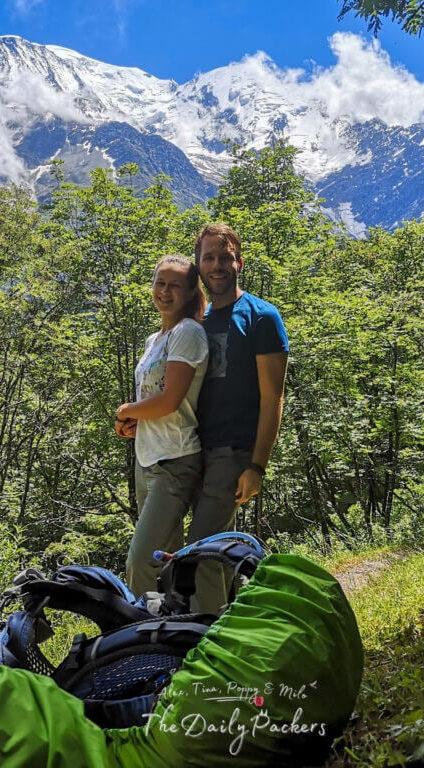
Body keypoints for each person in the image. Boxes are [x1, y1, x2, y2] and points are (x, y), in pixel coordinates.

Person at [191, 223, 289, 611]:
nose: (217, 265)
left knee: (202, 554)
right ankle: (244, 615)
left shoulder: (262, 317)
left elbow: (273, 397)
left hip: (232, 453)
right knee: (206, 552)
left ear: (239, 262)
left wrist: (257, 465)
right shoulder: (194, 319)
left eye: (224, 257)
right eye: (208, 258)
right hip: (189, 451)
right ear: (198, 265)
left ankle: (208, 643)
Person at [115, 255, 209, 597]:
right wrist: (136, 423)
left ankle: (137, 636)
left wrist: (126, 410)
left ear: (189, 293)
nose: (165, 291)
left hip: (175, 460)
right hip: (148, 458)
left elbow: (170, 401)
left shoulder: (188, 332)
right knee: (167, 558)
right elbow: (161, 406)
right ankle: (177, 631)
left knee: (141, 560)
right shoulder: (154, 339)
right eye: (160, 282)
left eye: (175, 285)